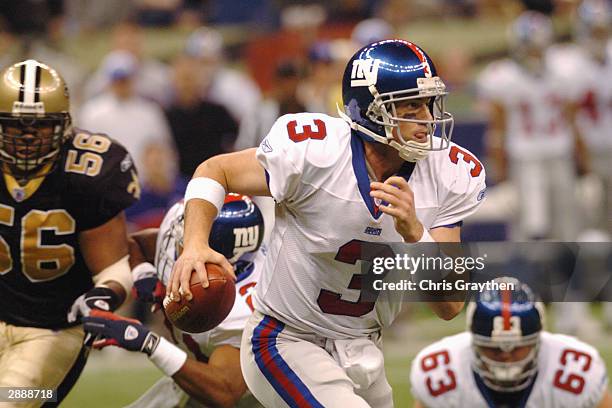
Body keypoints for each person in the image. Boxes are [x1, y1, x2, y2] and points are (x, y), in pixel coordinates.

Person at [171, 39, 487, 407]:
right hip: (286, 340)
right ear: (372, 110)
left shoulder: (449, 173)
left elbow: (449, 305)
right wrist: (195, 243)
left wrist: (416, 235)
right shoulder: (315, 152)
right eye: (411, 106)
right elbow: (215, 170)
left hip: (363, 347)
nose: (427, 120)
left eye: (429, 104)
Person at [0, 59, 139, 406]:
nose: (28, 140)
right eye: (17, 129)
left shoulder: (89, 171)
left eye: (41, 128)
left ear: (63, 126)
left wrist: (104, 295)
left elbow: (113, 266)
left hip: (54, 330)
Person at [83, 194, 268, 407]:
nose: (180, 240)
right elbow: (137, 244)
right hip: (192, 380)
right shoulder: (192, 255)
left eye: (192, 236)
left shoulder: (243, 311)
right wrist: (144, 273)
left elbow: (224, 391)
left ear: (218, 259)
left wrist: (149, 343)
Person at [410, 279, 612, 407]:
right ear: (475, 342)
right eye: (494, 348)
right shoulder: (441, 371)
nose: (505, 355)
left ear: (537, 341)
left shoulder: (576, 369)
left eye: (517, 347)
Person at [477, 10, 586, 241]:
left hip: (559, 153)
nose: (536, 52)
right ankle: (531, 273)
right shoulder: (504, 77)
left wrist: (582, 162)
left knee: (567, 224)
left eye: (540, 45)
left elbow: (573, 120)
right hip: (525, 158)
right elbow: (498, 130)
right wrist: (501, 172)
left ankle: (566, 272)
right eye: (531, 46)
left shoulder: (563, 71)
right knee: (533, 225)